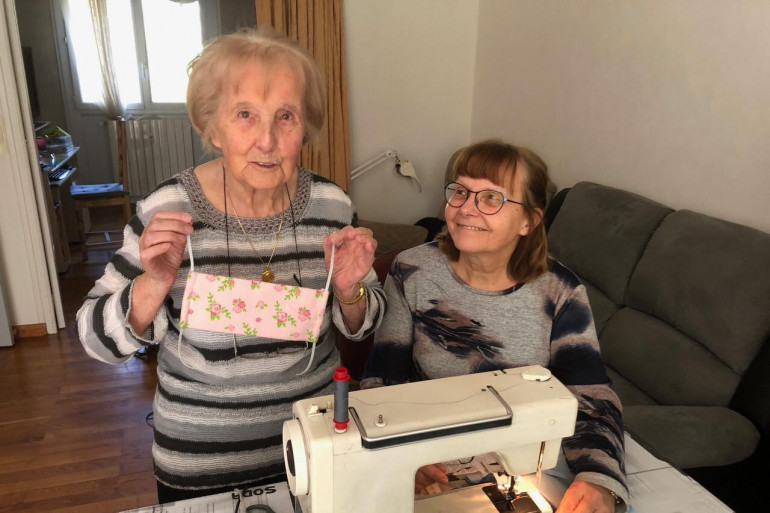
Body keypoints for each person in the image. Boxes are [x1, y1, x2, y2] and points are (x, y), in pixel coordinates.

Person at [76, 28, 385, 503]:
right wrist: (152, 284)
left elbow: (365, 326)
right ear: (212, 127)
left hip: (316, 448)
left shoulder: (332, 206)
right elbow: (97, 342)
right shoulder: (168, 209)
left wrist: (350, 292)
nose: (267, 140)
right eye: (245, 114)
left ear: (306, 128)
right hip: (201, 464)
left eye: (286, 116)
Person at [361, 140, 628, 513]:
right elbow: (383, 381)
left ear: (528, 221)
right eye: (460, 192)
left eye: (490, 198)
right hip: (433, 450)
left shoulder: (560, 292)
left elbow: (590, 397)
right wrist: (401, 455)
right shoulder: (412, 271)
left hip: (524, 452)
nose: (466, 209)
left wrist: (598, 479)